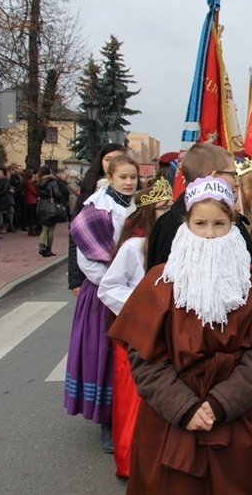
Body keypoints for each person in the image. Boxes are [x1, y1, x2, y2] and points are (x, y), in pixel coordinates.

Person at [107, 176, 252, 494]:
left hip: (237, 418)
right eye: (201, 223)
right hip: (170, 419)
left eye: (219, 224)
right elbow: (144, 359)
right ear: (186, 225)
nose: (210, 234)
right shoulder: (158, 282)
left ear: (233, 225)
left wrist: (220, 404)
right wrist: (184, 408)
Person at [96, 179, 173, 478]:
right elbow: (109, 287)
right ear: (148, 213)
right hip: (134, 333)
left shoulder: (170, 242)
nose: (169, 213)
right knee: (132, 401)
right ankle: (129, 462)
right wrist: (143, 305)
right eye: (162, 209)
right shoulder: (133, 246)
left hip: (161, 330)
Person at [65, 154, 139, 452]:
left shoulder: (137, 205)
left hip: (132, 292)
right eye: (123, 177)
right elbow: (88, 262)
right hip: (102, 295)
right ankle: (106, 421)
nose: (129, 182)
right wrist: (114, 285)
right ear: (110, 177)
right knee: (104, 357)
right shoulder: (96, 209)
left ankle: (130, 415)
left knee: (129, 358)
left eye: (133, 177)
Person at [146, 143, 252, 270]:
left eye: (218, 224)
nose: (237, 183)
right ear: (212, 176)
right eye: (233, 175)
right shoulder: (172, 227)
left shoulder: (165, 222)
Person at [68, 143, 129, 296]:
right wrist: (75, 280)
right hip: (95, 274)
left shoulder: (132, 191)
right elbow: (77, 235)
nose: (113, 164)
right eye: (108, 159)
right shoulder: (90, 190)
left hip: (126, 274)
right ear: (100, 161)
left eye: (118, 159)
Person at [36, 166, 66, 256]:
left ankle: (41, 247)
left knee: (44, 229)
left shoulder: (38, 182)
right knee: (51, 229)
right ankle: (48, 248)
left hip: (41, 204)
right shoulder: (52, 182)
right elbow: (57, 194)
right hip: (51, 205)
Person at [0, 167, 16, 233]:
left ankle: (7, 226)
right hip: (1, 199)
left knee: (7, 213)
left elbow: (6, 189)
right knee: (3, 214)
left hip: (5, 199)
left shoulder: (6, 180)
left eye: (1, 173)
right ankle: (5, 226)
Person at [23, 170, 39, 235]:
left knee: (31, 215)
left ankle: (31, 229)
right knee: (33, 216)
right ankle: (33, 230)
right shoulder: (29, 183)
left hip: (29, 200)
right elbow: (34, 191)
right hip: (32, 200)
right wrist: (38, 195)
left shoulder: (25, 182)